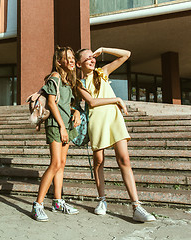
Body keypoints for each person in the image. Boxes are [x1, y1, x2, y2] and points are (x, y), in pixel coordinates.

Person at [75, 47, 156, 223]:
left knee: (124, 160)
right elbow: (92, 102)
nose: (92, 60)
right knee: (98, 162)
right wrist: (117, 99)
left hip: (114, 119)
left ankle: (136, 206)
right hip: (97, 122)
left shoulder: (102, 72)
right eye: (87, 58)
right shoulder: (79, 83)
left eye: (93, 57)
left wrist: (104, 49)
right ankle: (102, 200)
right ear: (78, 63)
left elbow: (127, 54)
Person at [31, 46, 81, 222]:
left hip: (65, 124)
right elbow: (51, 103)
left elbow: (67, 104)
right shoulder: (55, 77)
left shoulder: (68, 80)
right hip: (56, 124)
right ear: (59, 62)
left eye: (73, 57)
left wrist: (75, 112)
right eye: (68, 57)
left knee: (62, 164)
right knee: (55, 163)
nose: (72, 60)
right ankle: (38, 204)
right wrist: (61, 126)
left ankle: (58, 201)